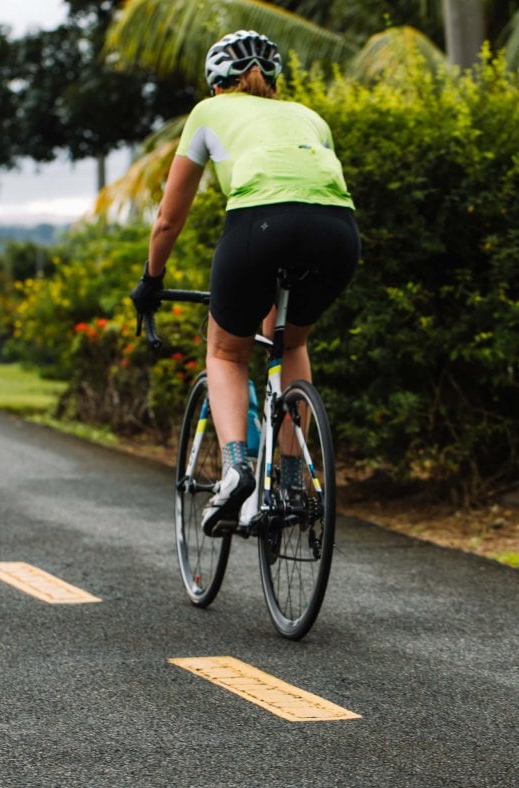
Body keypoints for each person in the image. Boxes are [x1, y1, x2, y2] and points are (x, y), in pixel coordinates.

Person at [130, 29, 360, 536]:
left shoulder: (207, 114)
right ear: (273, 80)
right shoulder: (310, 117)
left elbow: (168, 219)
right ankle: (295, 478)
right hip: (339, 232)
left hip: (260, 225)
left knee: (227, 351)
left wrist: (152, 280)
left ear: (216, 84)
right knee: (291, 337)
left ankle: (236, 469)